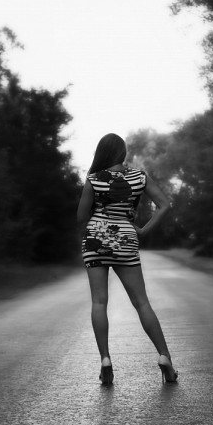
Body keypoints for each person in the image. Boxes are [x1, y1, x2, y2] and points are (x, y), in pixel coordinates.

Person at [77, 133, 178, 385]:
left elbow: (81, 217)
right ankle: (164, 357)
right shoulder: (139, 176)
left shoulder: (93, 179)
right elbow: (164, 205)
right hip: (125, 238)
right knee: (141, 302)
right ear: (122, 152)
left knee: (99, 302)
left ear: (101, 152)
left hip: (95, 238)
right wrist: (142, 230)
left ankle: (105, 360)